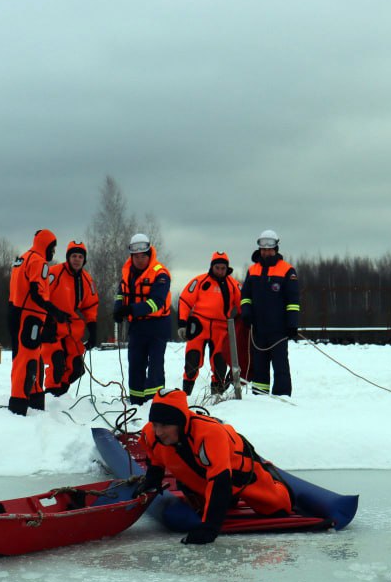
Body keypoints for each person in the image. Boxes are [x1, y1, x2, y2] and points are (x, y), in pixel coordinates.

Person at [133, 389, 293, 545]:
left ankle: (273, 479)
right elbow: (155, 457)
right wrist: (153, 479)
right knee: (202, 508)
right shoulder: (150, 433)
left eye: (165, 425)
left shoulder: (209, 434)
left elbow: (220, 481)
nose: (158, 432)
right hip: (201, 473)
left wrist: (209, 528)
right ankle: (228, 499)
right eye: (155, 424)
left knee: (278, 508)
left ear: (180, 423)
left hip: (238, 471)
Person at [8, 229, 70, 416]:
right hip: (30, 317)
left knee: (29, 358)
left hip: (16, 313)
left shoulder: (22, 258)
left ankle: (34, 399)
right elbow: (37, 294)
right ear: (46, 246)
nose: (53, 252)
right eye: (53, 248)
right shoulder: (38, 262)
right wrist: (55, 313)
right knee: (26, 359)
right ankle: (18, 403)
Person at [112, 233, 172, 405]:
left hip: (157, 326)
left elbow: (157, 303)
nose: (139, 260)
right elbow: (121, 293)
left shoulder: (160, 274)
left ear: (149, 255)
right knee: (135, 363)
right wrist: (118, 309)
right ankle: (136, 401)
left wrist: (131, 309)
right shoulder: (127, 273)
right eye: (136, 257)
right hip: (137, 326)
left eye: (143, 256)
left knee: (155, 366)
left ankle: (154, 401)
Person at [239, 229, 300, 396]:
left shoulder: (287, 270)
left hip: (279, 329)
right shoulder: (252, 270)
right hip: (258, 329)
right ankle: (260, 396)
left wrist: (292, 323)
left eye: (269, 249)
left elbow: (293, 300)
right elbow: (245, 295)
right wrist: (246, 311)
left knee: (280, 365)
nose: (266, 252)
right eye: (263, 249)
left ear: (275, 249)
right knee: (259, 365)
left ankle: (282, 395)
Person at [177, 251, 241, 395]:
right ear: (212, 266)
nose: (220, 271)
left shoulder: (233, 285)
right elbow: (185, 300)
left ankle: (216, 396)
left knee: (220, 364)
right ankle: (186, 395)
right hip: (199, 325)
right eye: (217, 268)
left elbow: (243, 305)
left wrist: (244, 326)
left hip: (221, 327)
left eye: (223, 268)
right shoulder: (200, 281)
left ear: (227, 268)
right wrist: (182, 323)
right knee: (192, 360)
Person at [45, 240, 100, 397]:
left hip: (71, 328)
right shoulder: (54, 273)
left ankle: (60, 394)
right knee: (57, 362)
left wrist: (93, 330)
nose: (77, 259)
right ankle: (51, 394)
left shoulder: (87, 280)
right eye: (74, 256)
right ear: (68, 257)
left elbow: (90, 305)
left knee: (76, 368)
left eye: (80, 257)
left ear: (84, 260)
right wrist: (45, 321)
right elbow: (40, 295)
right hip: (51, 325)